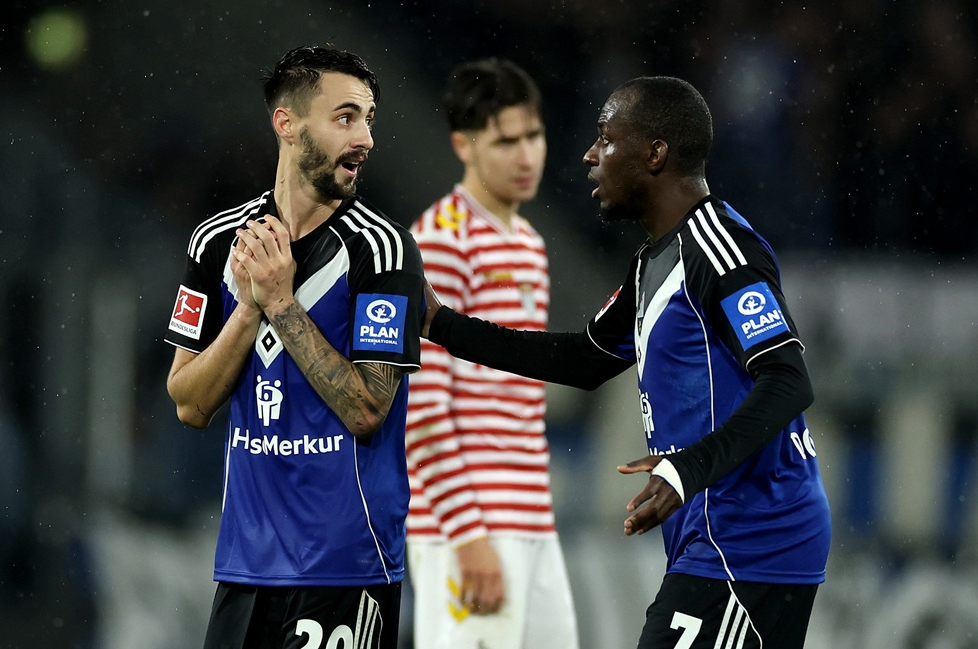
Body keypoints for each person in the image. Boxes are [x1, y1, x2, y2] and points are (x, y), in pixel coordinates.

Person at [421, 76, 831, 648]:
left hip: (752, 534)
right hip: (718, 534)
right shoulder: (651, 265)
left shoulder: (720, 249)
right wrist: (441, 325)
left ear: (654, 153)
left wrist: (687, 468)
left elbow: (788, 379)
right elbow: (583, 358)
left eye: (605, 139)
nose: (590, 156)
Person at [164, 45, 425, 649]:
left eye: (368, 119)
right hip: (244, 568)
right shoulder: (216, 244)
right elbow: (188, 402)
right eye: (345, 117)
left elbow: (366, 410)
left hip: (345, 567)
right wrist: (251, 305)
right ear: (287, 123)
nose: (364, 137)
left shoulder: (383, 252)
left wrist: (282, 304)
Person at [405, 59, 579, 649]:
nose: (526, 155)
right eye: (505, 141)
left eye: (533, 136)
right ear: (463, 145)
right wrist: (467, 534)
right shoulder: (438, 239)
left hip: (532, 514)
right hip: (469, 525)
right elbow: (423, 408)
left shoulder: (529, 243)